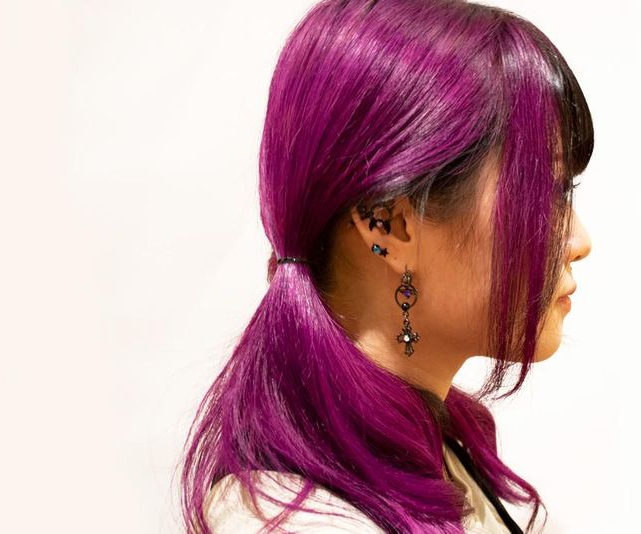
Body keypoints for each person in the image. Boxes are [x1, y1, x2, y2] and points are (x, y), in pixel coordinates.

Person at [179, 0, 593, 532]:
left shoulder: (448, 459)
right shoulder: (292, 521)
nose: (579, 241)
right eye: (543, 192)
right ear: (389, 224)